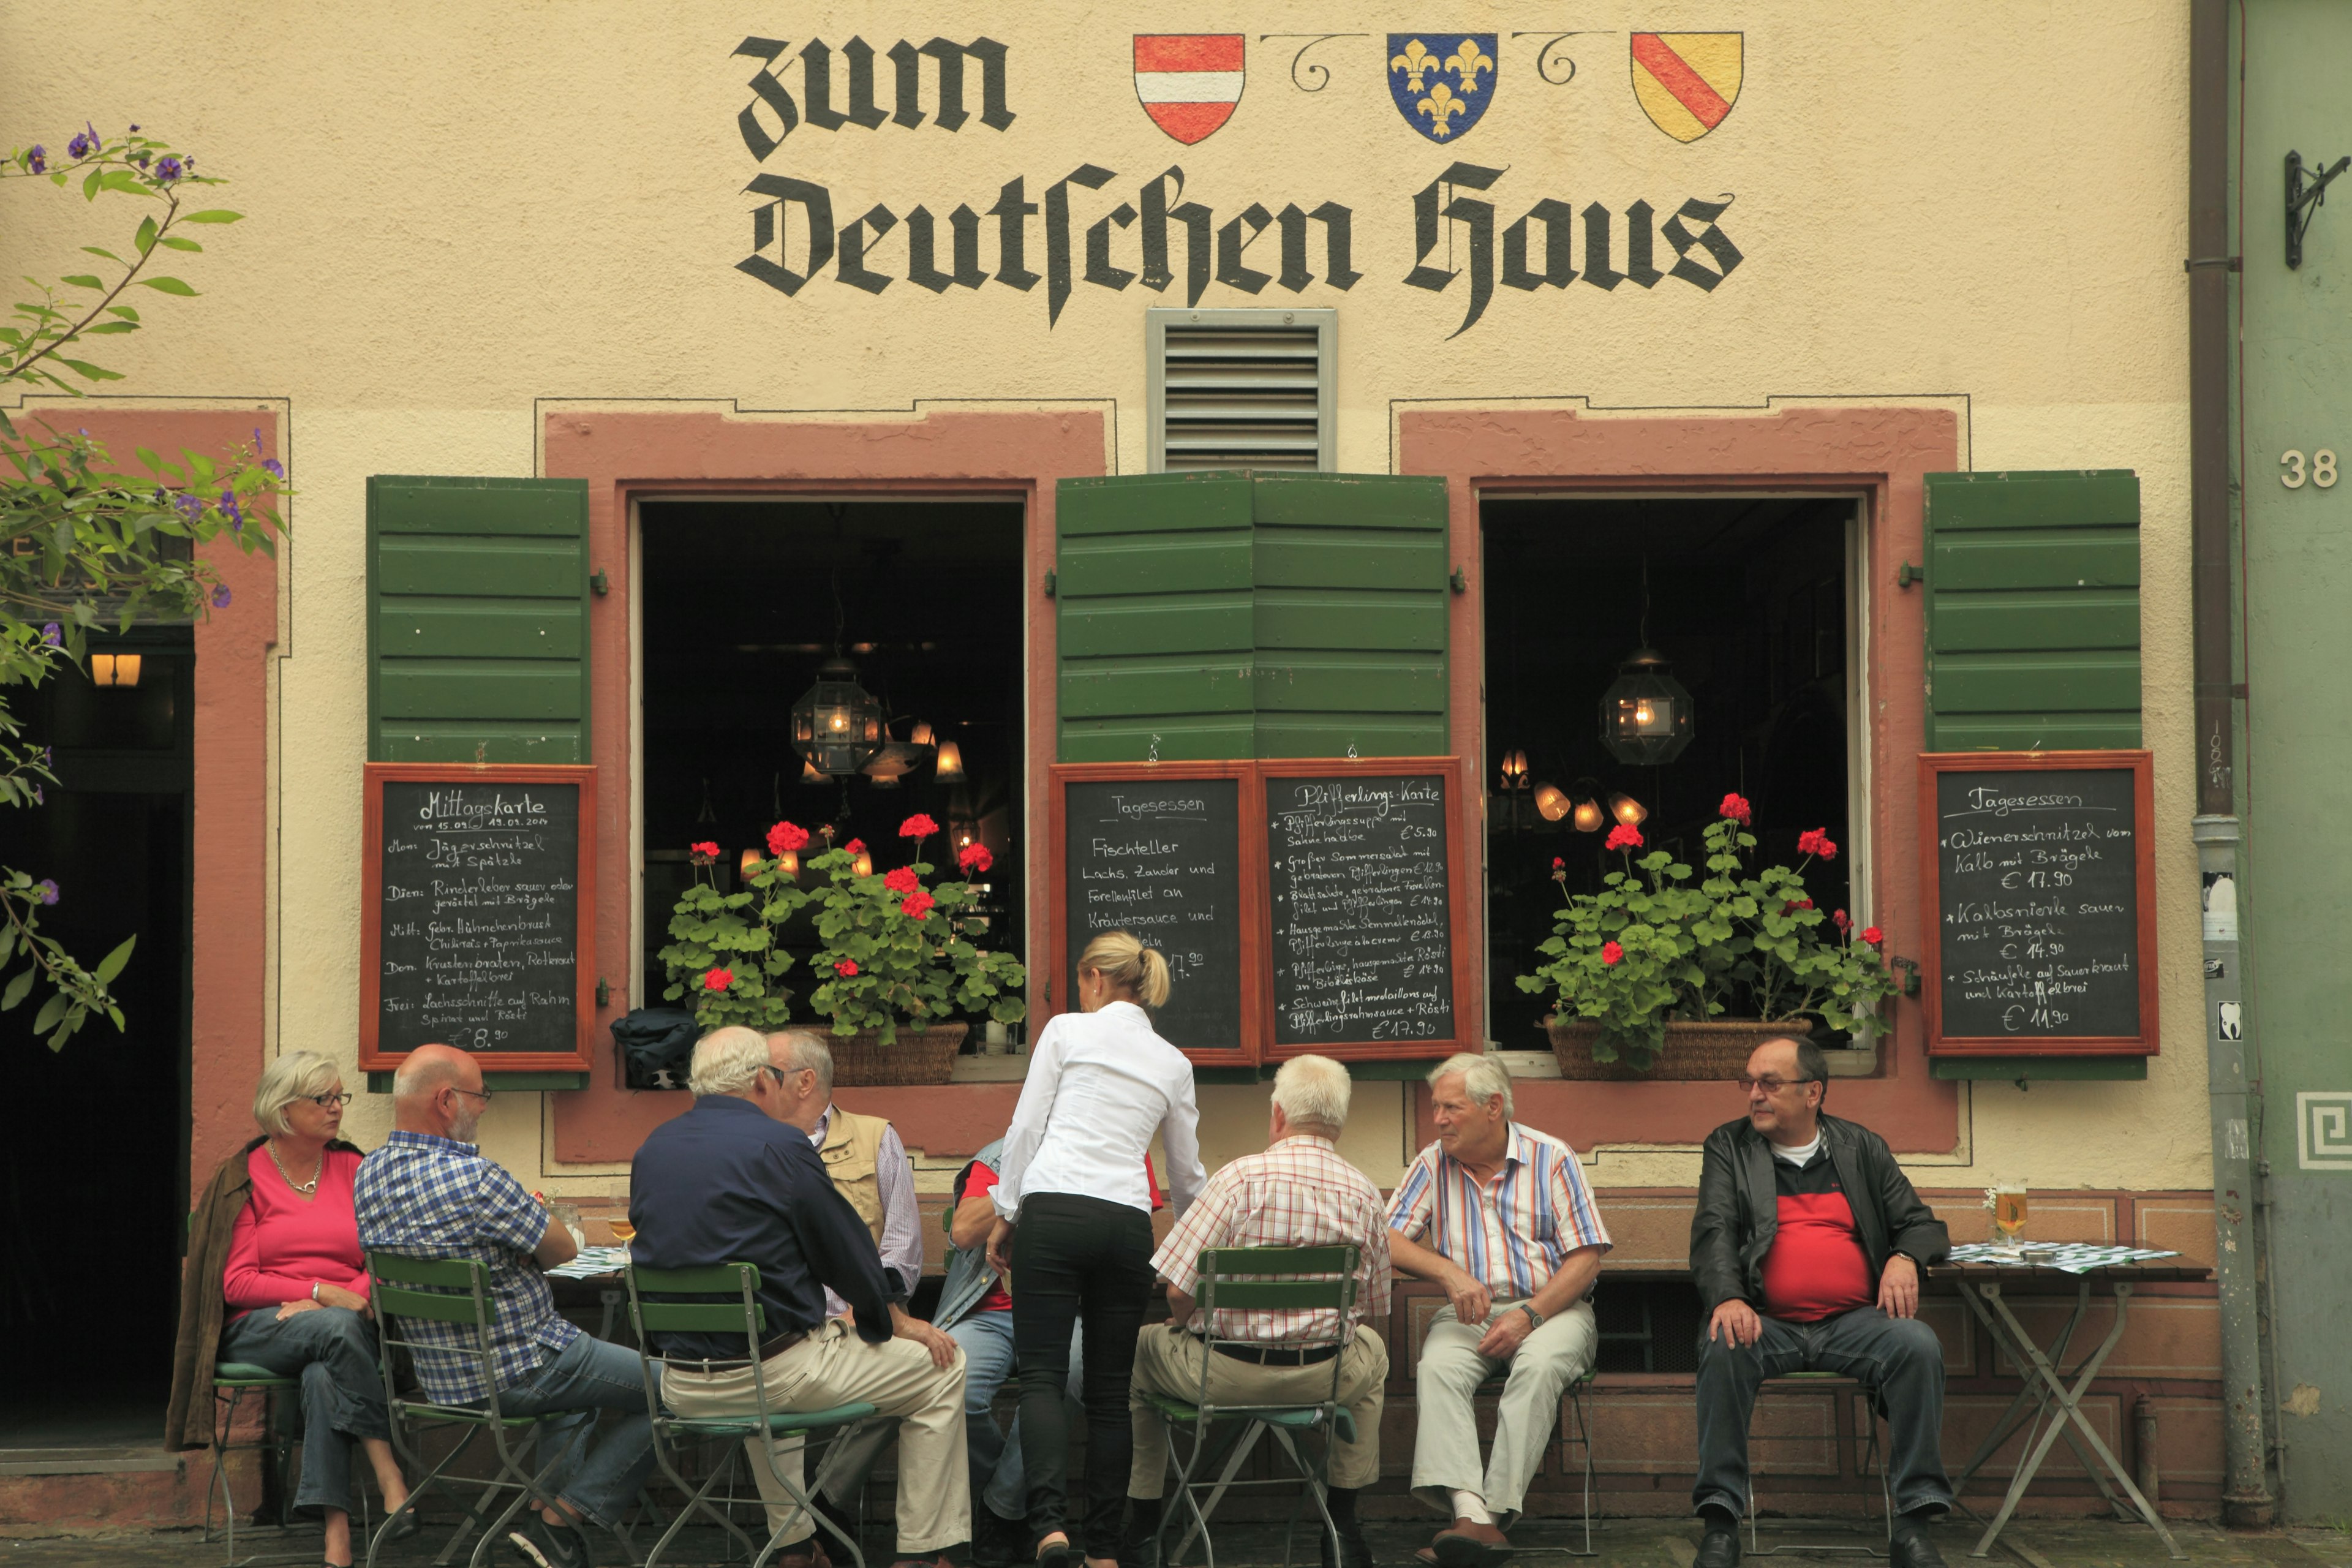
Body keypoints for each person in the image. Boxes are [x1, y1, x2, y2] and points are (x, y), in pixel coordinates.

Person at [632, 1027, 968, 1568]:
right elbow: (849, 1255)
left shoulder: (653, 1148)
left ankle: (792, 1545)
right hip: (771, 1378)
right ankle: (926, 1553)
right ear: (761, 1079)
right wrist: (893, 1321)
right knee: (941, 1367)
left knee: (768, 1349)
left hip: (680, 1383)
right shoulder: (779, 1146)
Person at [355, 1043, 658, 1568]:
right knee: (687, 1392)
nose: (485, 1106)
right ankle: (563, 1517)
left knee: (580, 1400)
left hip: (442, 1380)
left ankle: (544, 1525)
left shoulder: (368, 1175)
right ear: (446, 1101)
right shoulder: (478, 1180)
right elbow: (562, 1250)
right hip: (525, 1368)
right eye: (481, 1095)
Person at [1687, 1036, 1953, 1568]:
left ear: (1813, 1093)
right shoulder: (1730, 1146)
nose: (1755, 1096)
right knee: (1723, 1343)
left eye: (1770, 1083)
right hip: (1766, 1321)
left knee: (1917, 1345)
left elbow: (1922, 1224)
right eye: (1751, 1083)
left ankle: (1914, 1524)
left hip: (1855, 1323)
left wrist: (1905, 1257)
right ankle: (1720, 1522)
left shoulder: (1861, 1148)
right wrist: (1730, 1298)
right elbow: (1714, 1230)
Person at [986, 930, 1207, 1568]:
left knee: (1044, 1381)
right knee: (1111, 1395)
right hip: (1126, 1223)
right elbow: (1187, 1174)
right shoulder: (1173, 1062)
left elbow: (1026, 1127)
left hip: (1054, 1211)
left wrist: (1008, 1211)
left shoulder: (1065, 1033)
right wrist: (1187, 1252)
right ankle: (1105, 1549)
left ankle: (1049, 1529)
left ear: (1094, 978)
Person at [1123, 1056, 1392, 1568]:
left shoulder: (1237, 1180)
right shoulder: (1364, 1192)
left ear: (1277, 1114)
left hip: (1220, 1376)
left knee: (1137, 1354)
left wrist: (1184, 1325)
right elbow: (1371, 1309)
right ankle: (1345, 1528)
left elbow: (1179, 1292)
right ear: (1339, 1121)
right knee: (1373, 1354)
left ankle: (1141, 1527)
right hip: (1324, 1378)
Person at [165, 1051, 412, 1568]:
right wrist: (322, 1292)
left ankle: (336, 1540)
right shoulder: (245, 1177)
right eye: (322, 1099)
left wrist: (351, 1296)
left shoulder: (354, 1167)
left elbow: (384, 1258)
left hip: (344, 1325)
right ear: (282, 1109)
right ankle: (388, 1469)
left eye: (339, 1097)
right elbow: (236, 1283)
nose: (336, 1108)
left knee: (325, 1372)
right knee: (336, 1326)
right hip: (260, 1328)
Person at [1388, 1053, 1611, 1568]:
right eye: (1435, 1107)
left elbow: (1586, 1260)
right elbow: (1388, 1236)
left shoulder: (1551, 1157)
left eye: (1450, 1107)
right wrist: (1448, 1272)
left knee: (1536, 1368)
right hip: (1471, 1314)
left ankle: (1490, 1514)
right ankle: (1471, 1515)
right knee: (1439, 1367)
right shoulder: (1432, 1162)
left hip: (1556, 1310)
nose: (1438, 1119)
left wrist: (1529, 1316)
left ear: (1493, 1107)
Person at [938, 1134, 1087, 1568]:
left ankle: (999, 1513)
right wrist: (1028, 1175)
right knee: (953, 1386)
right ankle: (1011, 1504)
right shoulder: (1000, 1155)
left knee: (1072, 1374)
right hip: (986, 1313)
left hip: (1062, 1311)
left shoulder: (1096, 1151)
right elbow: (964, 1231)